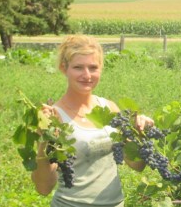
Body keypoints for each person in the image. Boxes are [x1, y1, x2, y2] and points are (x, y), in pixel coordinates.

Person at [32, 35, 153, 207]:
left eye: (93, 67)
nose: (87, 75)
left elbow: (136, 164)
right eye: (78, 67)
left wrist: (140, 133)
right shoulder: (54, 117)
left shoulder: (109, 108)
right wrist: (43, 141)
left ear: (101, 69)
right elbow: (44, 188)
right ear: (63, 68)